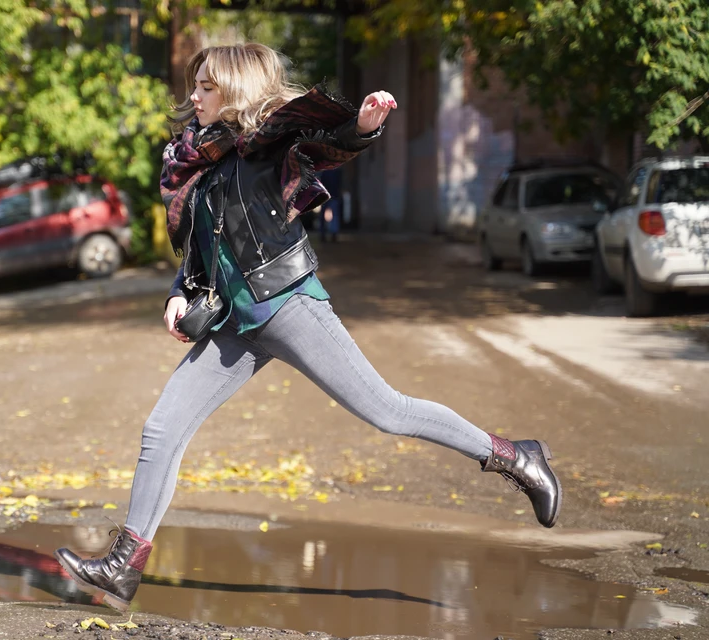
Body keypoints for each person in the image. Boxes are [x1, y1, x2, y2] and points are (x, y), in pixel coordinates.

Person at [55, 43, 561, 612]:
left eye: (205, 87)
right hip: (233, 321)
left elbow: (323, 141)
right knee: (161, 431)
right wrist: (178, 296)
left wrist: (362, 126)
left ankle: (516, 457)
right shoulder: (201, 164)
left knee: (388, 411)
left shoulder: (269, 144)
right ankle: (124, 566)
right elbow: (198, 255)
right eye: (194, 86)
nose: (192, 97)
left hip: (290, 306)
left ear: (236, 91)